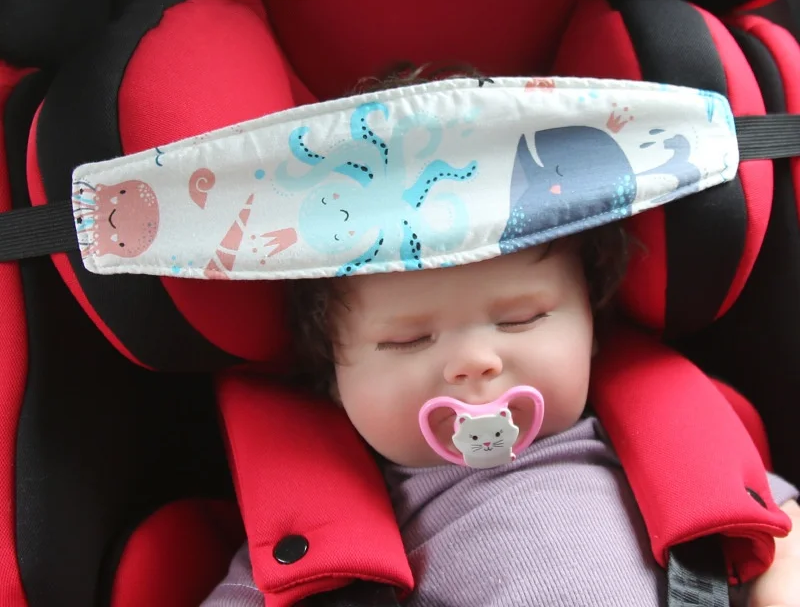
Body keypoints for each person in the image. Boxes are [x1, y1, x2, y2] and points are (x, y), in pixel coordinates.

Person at [202, 70, 800, 606]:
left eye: (521, 319)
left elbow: (780, 530)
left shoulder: (673, 459)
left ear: (593, 327)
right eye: (408, 340)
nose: (473, 362)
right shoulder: (315, 545)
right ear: (333, 374)